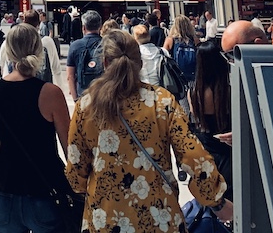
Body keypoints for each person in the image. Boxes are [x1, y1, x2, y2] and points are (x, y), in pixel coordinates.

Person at [66, 31, 231, 232]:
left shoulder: (86, 106)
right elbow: (194, 156)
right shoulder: (162, 101)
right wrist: (215, 200)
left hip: (106, 218)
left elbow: (76, 171)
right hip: (159, 216)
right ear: (141, 63)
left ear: (105, 63)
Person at [0, 25, 74, 233]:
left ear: (8, 52)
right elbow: (71, 151)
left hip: (4, 192)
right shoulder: (50, 93)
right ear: (39, 50)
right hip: (44, 190)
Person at [188, 38, 234, 198]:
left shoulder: (194, 92)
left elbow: (195, 117)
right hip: (229, 150)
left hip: (206, 148)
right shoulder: (228, 91)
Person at [65, 10, 103, 100]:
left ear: (84, 27)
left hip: (83, 95)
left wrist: (75, 100)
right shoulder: (108, 44)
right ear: (100, 27)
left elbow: (70, 76)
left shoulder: (75, 46)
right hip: (103, 96)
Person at [164, 15, 201, 86]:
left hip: (177, 76)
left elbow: (163, 56)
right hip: (193, 75)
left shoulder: (170, 40)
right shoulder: (195, 39)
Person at [133, 24, 167, 88]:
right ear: (149, 36)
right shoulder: (163, 51)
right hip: (162, 88)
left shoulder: (134, 55)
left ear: (135, 39)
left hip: (143, 89)